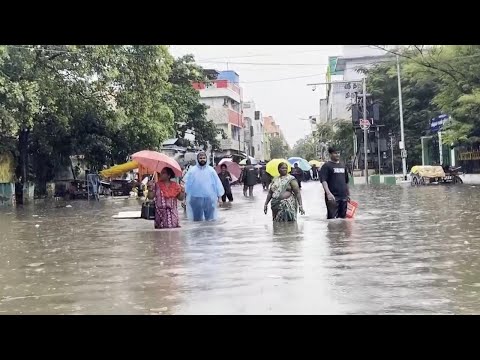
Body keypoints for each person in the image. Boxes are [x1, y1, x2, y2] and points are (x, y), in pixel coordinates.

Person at [184, 151, 225, 221]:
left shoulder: (211, 170)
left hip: (209, 198)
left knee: (210, 221)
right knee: (197, 221)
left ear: (206, 159)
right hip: (195, 198)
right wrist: (184, 199)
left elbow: (217, 184)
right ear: (197, 159)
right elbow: (187, 185)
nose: (202, 159)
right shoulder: (192, 171)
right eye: (200, 158)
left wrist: (220, 198)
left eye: (204, 158)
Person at [319, 146, 350, 219]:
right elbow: (323, 181)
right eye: (335, 153)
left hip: (343, 196)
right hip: (332, 197)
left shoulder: (343, 165)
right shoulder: (326, 166)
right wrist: (328, 194)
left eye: (338, 153)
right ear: (330, 154)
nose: (337, 155)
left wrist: (348, 194)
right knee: (332, 220)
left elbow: (346, 181)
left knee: (343, 219)